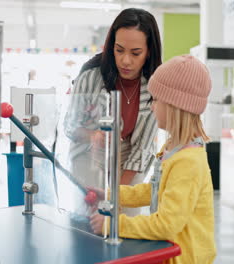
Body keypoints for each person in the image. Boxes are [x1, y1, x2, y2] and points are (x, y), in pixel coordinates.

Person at [89, 55, 217, 263]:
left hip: (185, 258)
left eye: (156, 100)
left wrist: (114, 224)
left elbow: (166, 225)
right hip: (171, 252)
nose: (151, 107)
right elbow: (154, 191)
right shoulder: (173, 149)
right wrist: (112, 194)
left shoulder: (188, 161)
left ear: (176, 106)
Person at [63, 8, 162, 213]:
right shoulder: (89, 78)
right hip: (88, 155)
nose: (125, 60)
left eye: (136, 53)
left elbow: (142, 149)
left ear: (149, 51)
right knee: (90, 217)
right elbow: (69, 127)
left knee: (125, 219)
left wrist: (117, 197)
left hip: (130, 160)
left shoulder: (156, 87)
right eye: (119, 50)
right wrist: (93, 135)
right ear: (111, 47)